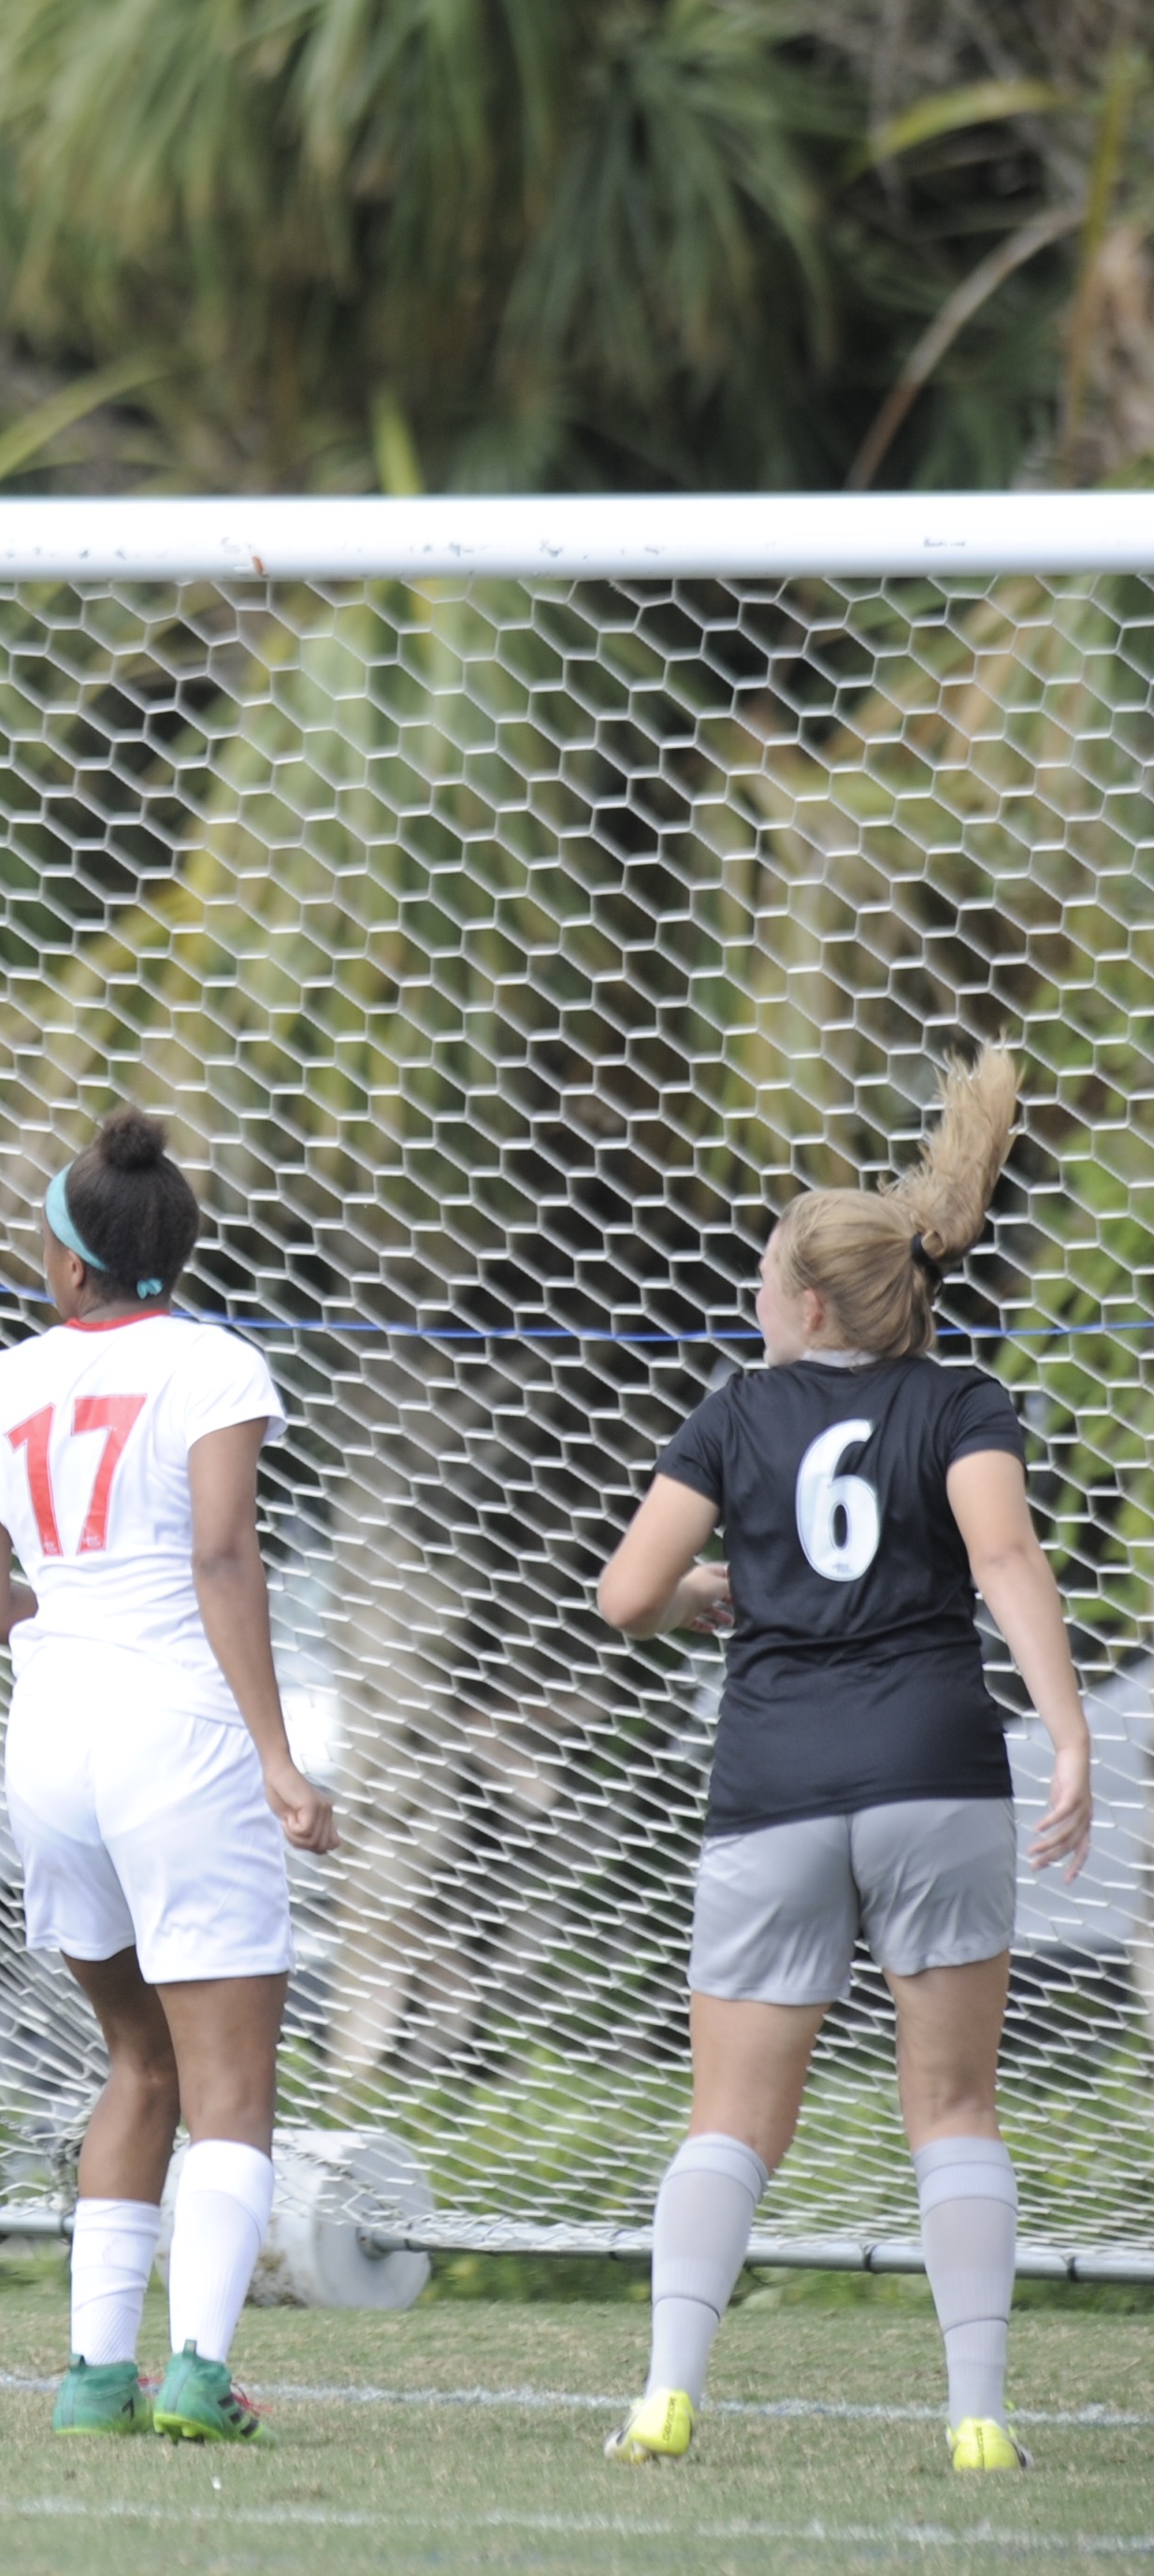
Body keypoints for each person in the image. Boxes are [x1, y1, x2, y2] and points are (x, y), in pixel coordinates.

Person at [592, 1048, 1089, 2475]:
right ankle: (979, 2418)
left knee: (733, 2119)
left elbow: (627, 1597)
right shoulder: (961, 1403)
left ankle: (665, 2398)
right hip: (938, 1772)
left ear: (806, 1304)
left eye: (764, 1282)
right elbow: (1003, 1560)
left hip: (776, 1786)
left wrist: (710, 1592)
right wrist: (1066, 1737)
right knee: (955, 2111)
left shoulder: (738, 1412)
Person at [0, 1107, 334, 2447]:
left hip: (50, 1749)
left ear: (69, 1267)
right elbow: (225, 1560)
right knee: (229, 2088)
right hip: (179, 1743)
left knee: (135, 2064)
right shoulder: (217, 1366)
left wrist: (71, 1598)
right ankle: (196, 2377)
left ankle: (92, 2378)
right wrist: (280, 1758)